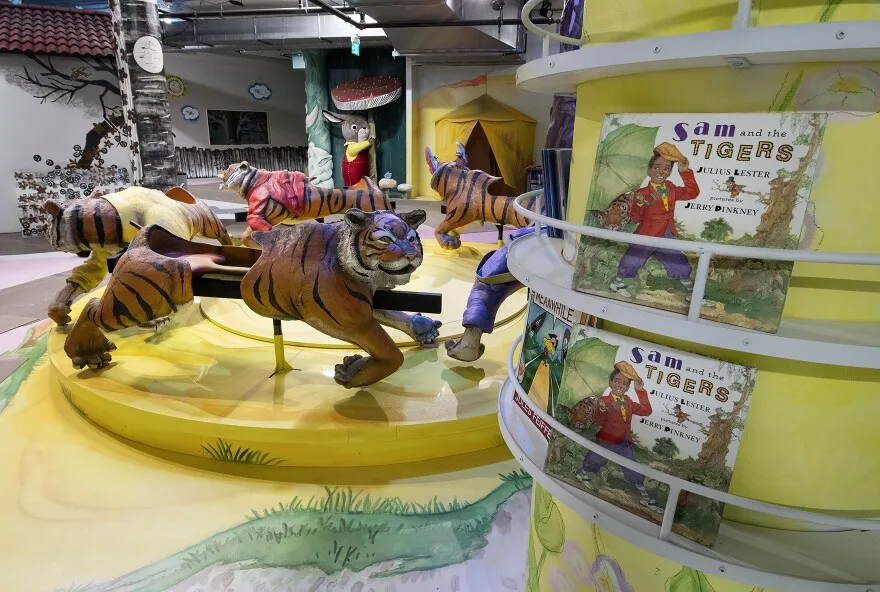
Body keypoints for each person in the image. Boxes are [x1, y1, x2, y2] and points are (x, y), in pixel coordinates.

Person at [609, 147, 700, 300]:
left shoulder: (671, 188)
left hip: (666, 233)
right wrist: (638, 203)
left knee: (678, 262)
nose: (661, 171)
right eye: (657, 167)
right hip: (647, 233)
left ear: (670, 172)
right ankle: (617, 283)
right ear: (649, 170)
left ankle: (693, 294)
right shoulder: (642, 193)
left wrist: (685, 172)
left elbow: (693, 193)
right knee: (632, 260)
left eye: (666, 169)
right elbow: (636, 218)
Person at [576, 364, 658, 510]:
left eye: (625, 384)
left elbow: (647, 411)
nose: (620, 386)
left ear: (627, 388)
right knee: (595, 458)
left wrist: (640, 391)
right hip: (607, 439)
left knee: (632, 466)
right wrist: (601, 410)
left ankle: (645, 498)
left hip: (623, 442)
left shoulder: (628, 402)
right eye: (617, 381)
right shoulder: (604, 401)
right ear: (610, 382)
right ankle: (582, 475)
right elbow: (598, 421)